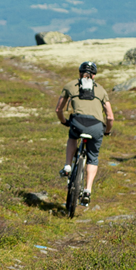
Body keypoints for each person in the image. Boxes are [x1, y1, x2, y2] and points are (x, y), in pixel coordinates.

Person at [54, 61, 113, 205]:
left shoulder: (70, 86)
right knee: (93, 158)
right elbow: (110, 117)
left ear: (79, 73)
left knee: (72, 137)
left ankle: (68, 165)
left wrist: (64, 121)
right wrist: (107, 131)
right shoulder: (101, 90)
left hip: (77, 124)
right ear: (94, 76)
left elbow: (58, 110)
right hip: (96, 127)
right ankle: (87, 190)